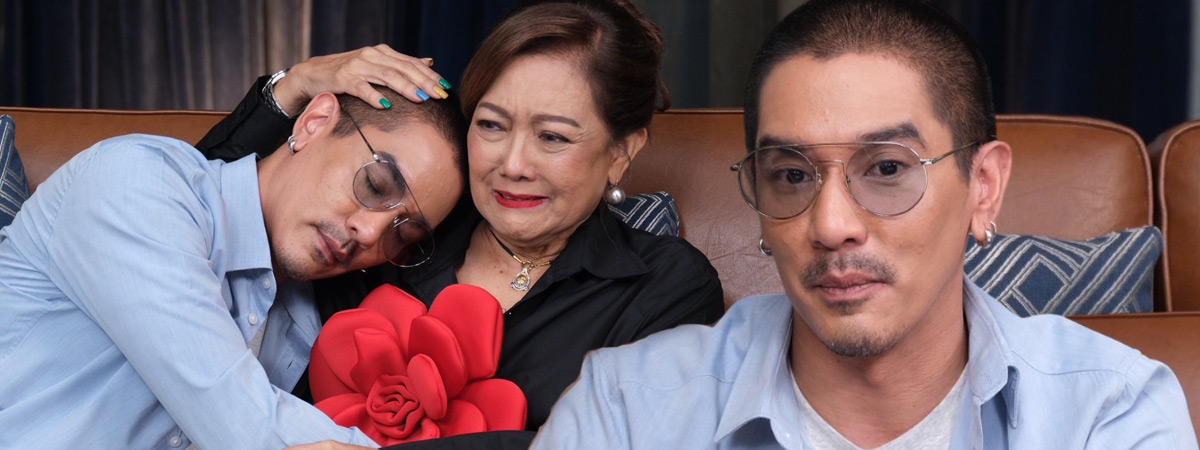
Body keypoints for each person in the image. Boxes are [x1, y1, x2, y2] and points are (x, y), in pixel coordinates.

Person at [531, 0, 1198, 448]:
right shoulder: (627, 408)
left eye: (886, 168)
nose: (831, 225)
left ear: (984, 188)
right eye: (791, 175)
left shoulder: (1107, 411)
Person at [198, 0, 725, 447]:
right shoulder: (400, 225)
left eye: (553, 137)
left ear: (621, 152)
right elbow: (197, 219)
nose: (513, 164)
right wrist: (293, 87)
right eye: (492, 125)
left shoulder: (665, 286)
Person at [0, 86, 466, 448]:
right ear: (314, 123)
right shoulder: (138, 182)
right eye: (376, 184)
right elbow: (239, 420)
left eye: (402, 234)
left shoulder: (305, 329)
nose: (369, 232)